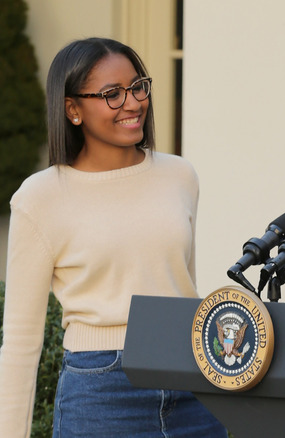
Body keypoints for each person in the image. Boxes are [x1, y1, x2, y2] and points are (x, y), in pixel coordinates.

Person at [0, 38, 226, 437]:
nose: (133, 102)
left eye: (138, 86)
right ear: (72, 109)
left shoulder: (179, 176)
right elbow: (21, 342)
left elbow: (180, 286)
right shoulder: (40, 197)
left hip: (192, 379)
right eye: (112, 94)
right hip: (100, 390)